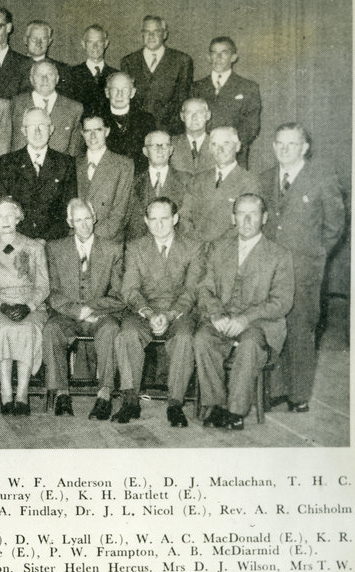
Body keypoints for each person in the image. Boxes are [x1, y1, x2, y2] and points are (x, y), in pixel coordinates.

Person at [260, 123, 346, 413]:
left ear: (304, 148)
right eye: (280, 144)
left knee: (301, 328)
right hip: (270, 270)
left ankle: (299, 395)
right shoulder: (265, 178)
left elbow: (334, 226)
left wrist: (317, 254)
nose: (285, 149)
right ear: (273, 146)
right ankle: (277, 388)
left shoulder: (321, 178)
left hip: (305, 269)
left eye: (292, 144)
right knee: (274, 326)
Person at [193, 194, 294, 430]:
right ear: (232, 218)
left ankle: (235, 411)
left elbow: (281, 302)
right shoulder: (219, 249)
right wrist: (216, 314)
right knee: (202, 339)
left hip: (259, 325)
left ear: (264, 218)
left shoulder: (279, 255)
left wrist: (245, 319)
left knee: (249, 345)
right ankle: (215, 406)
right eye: (241, 214)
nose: (247, 220)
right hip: (223, 320)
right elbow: (204, 288)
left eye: (253, 214)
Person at [114, 198, 203, 425]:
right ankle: (130, 401)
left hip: (179, 313)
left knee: (184, 337)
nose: (159, 224)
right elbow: (130, 290)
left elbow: (192, 291)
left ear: (175, 219)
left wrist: (171, 314)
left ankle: (175, 404)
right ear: (145, 221)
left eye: (164, 218)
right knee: (128, 333)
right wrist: (149, 313)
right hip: (144, 311)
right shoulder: (135, 248)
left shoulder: (192, 248)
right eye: (153, 219)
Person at [43, 198, 124, 419]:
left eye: (88, 218)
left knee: (111, 330)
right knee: (51, 329)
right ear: (70, 222)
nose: (85, 225)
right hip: (68, 315)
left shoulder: (113, 249)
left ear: (95, 218)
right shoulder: (55, 248)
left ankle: (105, 394)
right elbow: (51, 291)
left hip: (100, 315)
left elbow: (119, 294)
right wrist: (76, 311)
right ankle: (62, 393)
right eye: (78, 220)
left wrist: (90, 309)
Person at [0, 197, 49, 416]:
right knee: (4, 329)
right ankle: (6, 393)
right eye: (0, 216)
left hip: (31, 305)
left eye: (10, 214)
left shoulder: (34, 246)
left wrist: (28, 306)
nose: (5, 220)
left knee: (26, 330)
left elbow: (43, 286)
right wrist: (2, 308)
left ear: (18, 218)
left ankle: (22, 393)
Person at [0, 107, 77, 241]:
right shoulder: (7, 163)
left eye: (42, 126)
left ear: (51, 130)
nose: (37, 131)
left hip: (53, 242)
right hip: (17, 241)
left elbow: (67, 209)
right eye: (32, 126)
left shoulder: (66, 163)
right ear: (24, 131)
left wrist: (44, 240)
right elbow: (2, 207)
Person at [180, 126, 260, 246]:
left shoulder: (249, 182)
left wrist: (216, 247)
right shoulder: (197, 180)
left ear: (237, 146)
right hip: (195, 248)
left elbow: (245, 224)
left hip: (228, 251)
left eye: (226, 144)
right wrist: (195, 240)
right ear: (210, 149)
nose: (220, 149)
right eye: (214, 145)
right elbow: (184, 215)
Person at [191, 37, 261, 167]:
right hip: (203, 156)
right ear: (208, 57)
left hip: (234, 156)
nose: (218, 57)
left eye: (224, 52)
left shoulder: (248, 87)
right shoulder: (195, 87)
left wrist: (229, 146)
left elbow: (251, 126)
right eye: (214, 52)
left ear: (233, 57)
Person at [120, 15, 192, 134]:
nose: (151, 36)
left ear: (165, 34)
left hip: (170, 132)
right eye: (147, 32)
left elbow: (183, 99)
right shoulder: (128, 61)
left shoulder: (182, 61)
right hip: (138, 132)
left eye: (156, 31)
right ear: (141, 35)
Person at [76, 114, 135, 242]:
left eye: (98, 130)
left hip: (108, 242)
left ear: (107, 131)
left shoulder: (123, 165)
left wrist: (91, 238)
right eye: (87, 131)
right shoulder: (74, 164)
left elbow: (120, 213)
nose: (92, 136)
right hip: (76, 240)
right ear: (82, 133)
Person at [125, 130, 190, 242]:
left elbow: (188, 221)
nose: (160, 150)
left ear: (171, 150)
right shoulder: (132, 182)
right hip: (142, 250)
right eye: (155, 146)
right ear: (145, 151)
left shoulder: (187, 180)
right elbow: (132, 225)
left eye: (165, 145)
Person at [10, 60, 83, 157]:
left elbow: (74, 152)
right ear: (31, 79)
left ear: (57, 79)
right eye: (39, 75)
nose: (45, 79)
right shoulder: (15, 104)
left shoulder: (74, 108)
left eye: (50, 74)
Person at [102, 71, 156, 173]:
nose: (119, 94)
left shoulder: (146, 120)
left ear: (132, 93)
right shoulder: (98, 120)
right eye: (115, 89)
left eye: (125, 90)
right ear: (107, 92)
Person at [68, 25, 116, 119]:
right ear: (83, 44)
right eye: (90, 42)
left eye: (99, 42)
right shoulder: (71, 74)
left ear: (106, 43)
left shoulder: (115, 76)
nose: (95, 46)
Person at [20, 20, 69, 93]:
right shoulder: (14, 66)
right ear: (25, 40)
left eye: (43, 39)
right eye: (34, 39)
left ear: (49, 42)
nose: (38, 43)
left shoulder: (61, 69)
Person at [170, 98, 216, 175]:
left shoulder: (218, 144)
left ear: (208, 115)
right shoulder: (171, 144)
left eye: (200, 112)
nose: (194, 118)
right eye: (189, 112)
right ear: (182, 116)